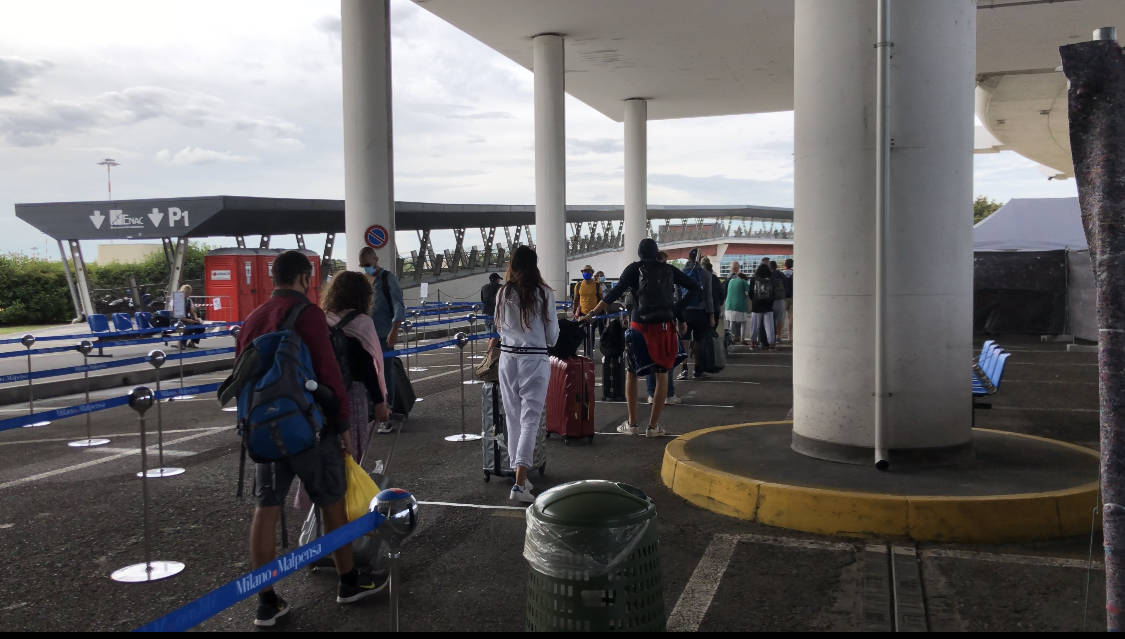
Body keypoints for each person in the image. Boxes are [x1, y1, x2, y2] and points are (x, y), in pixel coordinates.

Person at [236, 250, 383, 628]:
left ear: (274, 278)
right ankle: (348, 582)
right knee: (333, 502)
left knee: (266, 510)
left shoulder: (253, 319)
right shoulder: (309, 315)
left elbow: (242, 378)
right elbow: (329, 373)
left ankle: (267, 602)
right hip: (309, 430)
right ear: (303, 278)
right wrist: (343, 425)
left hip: (265, 431)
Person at [582, 238, 701, 437]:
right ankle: (653, 427)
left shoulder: (633, 269)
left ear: (639, 253)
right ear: (656, 253)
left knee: (631, 373)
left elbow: (614, 293)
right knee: (662, 375)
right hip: (664, 327)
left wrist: (592, 312)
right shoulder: (669, 270)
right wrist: (677, 310)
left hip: (639, 326)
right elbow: (695, 287)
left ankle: (633, 423)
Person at [492, 245, 559, 503]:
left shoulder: (503, 292)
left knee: (513, 419)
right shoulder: (544, 293)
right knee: (530, 419)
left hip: (507, 359)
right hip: (535, 359)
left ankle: (520, 475)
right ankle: (519, 483)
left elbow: (499, 328)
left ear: (513, 264)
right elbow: (552, 336)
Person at [322, 270, 392, 461]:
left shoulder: (324, 320)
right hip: (354, 396)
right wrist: (380, 402)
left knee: (326, 454)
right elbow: (368, 367)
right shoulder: (362, 323)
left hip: (324, 396)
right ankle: (349, 489)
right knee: (353, 452)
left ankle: (325, 488)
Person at [359, 247, 405, 434]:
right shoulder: (364, 282)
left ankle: (388, 412)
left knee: (384, 375)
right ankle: (371, 411)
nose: (366, 269)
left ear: (376, 260)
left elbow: (398, 304)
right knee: (368, 375)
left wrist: (394, 329)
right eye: (363, 266)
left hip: (384, 334)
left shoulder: (387, 279)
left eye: (368, 265)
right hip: (365, 335)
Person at [645, 251, 681, 405]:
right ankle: (669, 394)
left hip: (646, 324)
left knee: (650, 361)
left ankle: (652, 394)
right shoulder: (667, 277)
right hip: (664, 324)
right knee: (667, 361)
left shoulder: (644, 274)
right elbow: (671, 302)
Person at [677, 248, 715, 380]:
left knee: (684, 341)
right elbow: (709, 297)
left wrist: (677, 312)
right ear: (699, 258)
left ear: (689, 258)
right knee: (699, 341)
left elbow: (677, 294)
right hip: (700, 311)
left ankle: (684, 370)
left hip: (685, 311)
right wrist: (711, 315)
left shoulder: (682, 272)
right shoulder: (706, 274)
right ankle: (698, 370)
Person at [749, 262, 776, 350]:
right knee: (769, 327)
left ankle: (753, 344)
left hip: (756, 306)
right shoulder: (771, 279)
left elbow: (750, 293)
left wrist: (754, 300)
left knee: (754, 326)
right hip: (768, 306)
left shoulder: (753, 279)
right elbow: (774, 293)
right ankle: (771, 345)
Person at [725, 266, 750, 345]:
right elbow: (747, 294)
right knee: (743, 322)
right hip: (739, 306)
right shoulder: (744, 282)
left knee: (732, 323)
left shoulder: (731, 281)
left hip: (728, 306)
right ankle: (742, 339)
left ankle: (730, 339)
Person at [176, 284, 204, 348]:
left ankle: (192, 342)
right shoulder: (177, 299)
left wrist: (196, 318)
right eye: (186, 292)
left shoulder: (189, 300)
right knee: (189, 326)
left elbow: (192, 311)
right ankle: (181, 342)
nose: (188, 294)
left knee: (201, 327)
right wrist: (189, 320)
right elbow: (178, 316)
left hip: (186, 319)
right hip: (178, 319)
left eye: (189, 292)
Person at [769, 260, 787, 343]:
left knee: (770, 320)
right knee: (780, 319)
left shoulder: (767, 275)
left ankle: (771, 336)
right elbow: (787, 284)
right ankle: (778, 336)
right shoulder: (781, 274)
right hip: (780, 300)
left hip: (769, 300)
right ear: (776, 266)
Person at [781, 259, 794, 343]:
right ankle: (790, 336)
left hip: (783, 298)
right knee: (791, 318)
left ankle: (779, 335)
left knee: (781, 317)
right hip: (793, 297)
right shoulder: (794, 274)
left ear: (785, 265)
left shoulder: (781, 274)